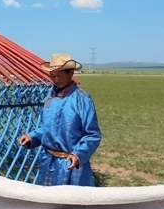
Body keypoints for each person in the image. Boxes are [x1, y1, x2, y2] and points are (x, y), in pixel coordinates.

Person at [18, 53, 102, 186]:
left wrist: (78, 154)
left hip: (71, 164)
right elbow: (48, 127)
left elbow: (92, 134)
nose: (56, 80)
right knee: (47, 201)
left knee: (72, 203)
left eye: (60, 76)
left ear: (71, 73)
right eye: (53, 76)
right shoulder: (50, 97)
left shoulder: (82, 99)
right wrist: (32, 136)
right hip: (49, 162)